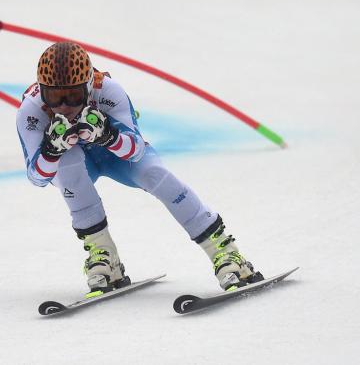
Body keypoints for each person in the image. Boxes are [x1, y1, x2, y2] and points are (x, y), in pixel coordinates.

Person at [16, 42, 263, 297]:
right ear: (42, 92)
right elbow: (37, 177)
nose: (64, 106)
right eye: (54, 97)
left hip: (116, 156)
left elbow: (135, 150)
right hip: (77, 165)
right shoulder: (31, 110)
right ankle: (102, 254)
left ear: (89, 85)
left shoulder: (108, 90)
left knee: (153, 173)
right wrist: (51, 151)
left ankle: (224, 251)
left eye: (74, 96)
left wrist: (108, 136)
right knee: (67, 162)